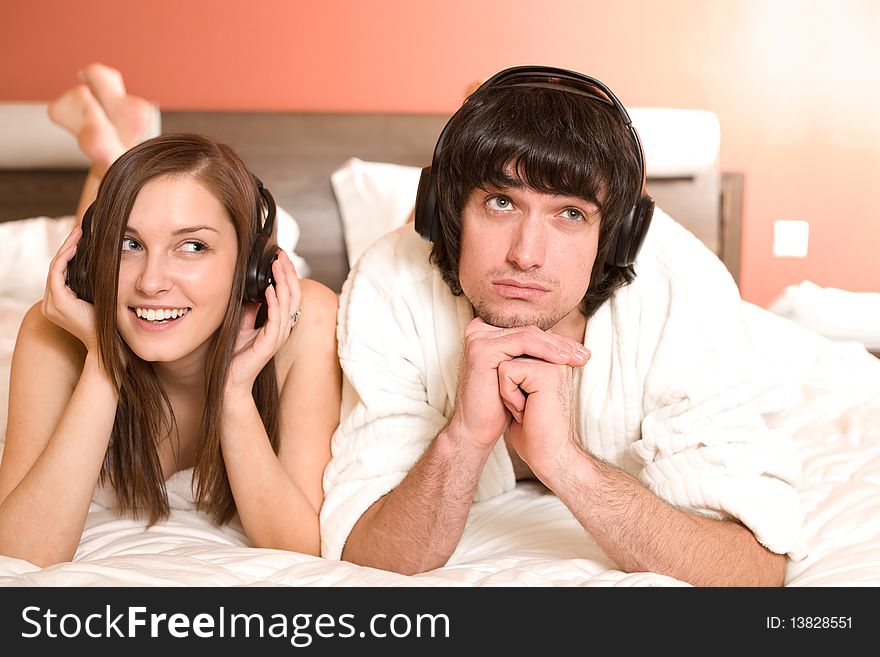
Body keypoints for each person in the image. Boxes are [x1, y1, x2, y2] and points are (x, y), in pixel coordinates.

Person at [320, 65, 807, 586]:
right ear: (448, 214)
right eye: (501, 202)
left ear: (615, 238)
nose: (526, 256)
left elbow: (754, 571)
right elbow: (365, 551)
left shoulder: (683, 286)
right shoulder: (389, 281)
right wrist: (463, 438)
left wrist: (566, 461)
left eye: (570, 214)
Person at [0, 69, 341, 567]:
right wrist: (102, 361)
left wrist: (234, 391)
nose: (151, 281)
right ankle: (110, 157)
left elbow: (298, 548)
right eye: (128, 243)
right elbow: (19, 557)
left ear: (249, 267)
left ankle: (110, 149)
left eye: (192, 246)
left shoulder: (305, 322)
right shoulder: (51, 331)